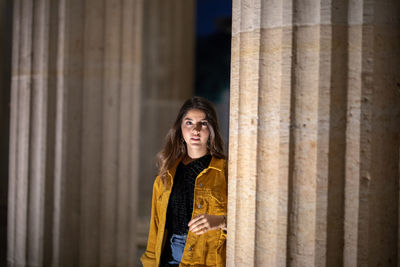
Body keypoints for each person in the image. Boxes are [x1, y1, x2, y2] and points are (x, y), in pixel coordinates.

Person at [140, 96, 227, 267]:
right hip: (168, 259)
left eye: (203, 123)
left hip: (205, 260)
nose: (195, 130)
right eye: (189, 123)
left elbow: (248, 221)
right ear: (180, 128)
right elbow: (155, 230)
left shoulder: (226, 172)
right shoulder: (165, 176)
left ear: (211, 129)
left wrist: (221, 220)